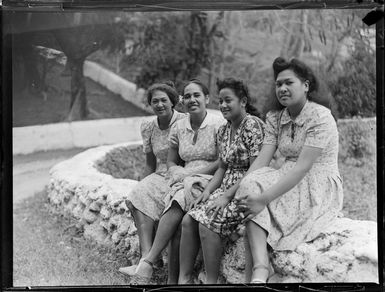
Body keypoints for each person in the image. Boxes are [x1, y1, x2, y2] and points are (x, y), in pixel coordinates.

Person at [234, 57, 343, 283]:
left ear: (306, 85)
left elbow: (303, 168)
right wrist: (233, 190)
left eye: (289, 83)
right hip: (286, 174)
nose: (282, 88)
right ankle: (262, 266)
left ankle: (259, 271)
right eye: (278, 84)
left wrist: (263, 199)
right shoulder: (276, 117)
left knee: (256, 199)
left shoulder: (320, 116)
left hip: (317, 181)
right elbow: (262, 161)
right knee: (250, 183)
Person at [132, 79, 225, 284]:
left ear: (207, 98)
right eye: (188, 96)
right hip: (183, 176)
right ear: (182, 101)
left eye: (197, 95)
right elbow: (171, 160)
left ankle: (149, 261)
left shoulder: (219, 123)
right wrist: (177, 171)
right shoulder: (179, 127)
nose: (192, 100)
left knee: (179, 198)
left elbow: (222, 161)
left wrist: (191, 174)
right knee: (174, 211)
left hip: (209, 176)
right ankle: (172, 280)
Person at [179, 78, 265, 284]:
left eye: (229, 100)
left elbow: (256, 169)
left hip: (246, 188)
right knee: (188, 220)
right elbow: (223, 167)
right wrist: (208, 192)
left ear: (243, 101)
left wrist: (226, 196)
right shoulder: (224, 130)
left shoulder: (253, 125)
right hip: (225, 186)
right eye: (221, 101)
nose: (224, 105)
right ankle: (184, 280)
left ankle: (211, 281)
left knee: (207, 224)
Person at [119, 81, 186, 276]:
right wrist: (141, 185)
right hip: (160, 174)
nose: (159, 105)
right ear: (150, 104)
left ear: (172, 102)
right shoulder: (148, 126)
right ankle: (146, 259)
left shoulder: (184, 121)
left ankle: (145, 262)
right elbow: (150, 163)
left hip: (181, 172)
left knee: (142, 197)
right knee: (136, 198)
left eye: (164, 100)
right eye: (154, 101)